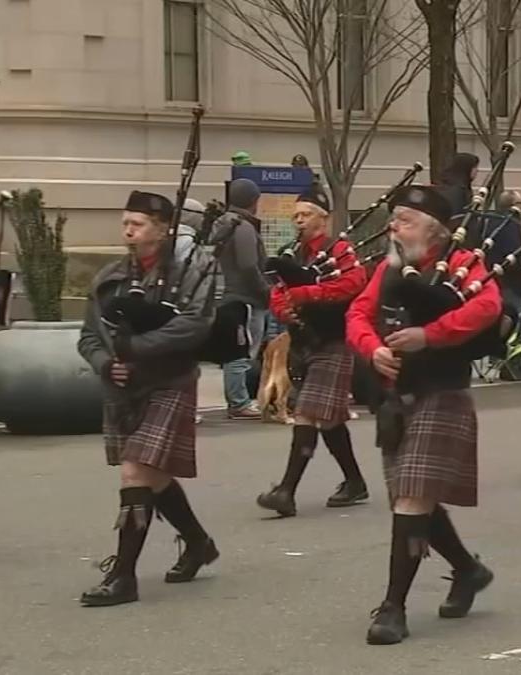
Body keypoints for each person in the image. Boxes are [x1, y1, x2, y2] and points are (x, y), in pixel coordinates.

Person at [345, 185, 502, 645]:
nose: (394, 226)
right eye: (393, 218)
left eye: (405, 220)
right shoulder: (388, 268)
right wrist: (373, 350)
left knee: (411, 499)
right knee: (412, 501)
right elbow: (357, 313)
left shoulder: (463, 264)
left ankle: (393, 606)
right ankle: (469, 570)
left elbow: (487, 308)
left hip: (442, 392)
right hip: (396, 396)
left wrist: (430, 335)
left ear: (434, 230)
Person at [75, 190, 220, 606]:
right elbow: (88, 336)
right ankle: (198, 543)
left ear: (162, 229)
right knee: (154, 477)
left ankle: (124, 577)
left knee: (135, 472)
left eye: (136, 225)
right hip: (124, 389)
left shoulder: (194, 269)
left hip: (170, 381)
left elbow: (195, 325)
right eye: (125, 224)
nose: (127, 232)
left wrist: (139, 348)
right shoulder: (109, 278)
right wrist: (106, 363)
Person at [256, 186, 369, 517]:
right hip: (303, 343)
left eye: (305, 214)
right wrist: (283, 309)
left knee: (307, 412)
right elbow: (277, 290)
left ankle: (286, 491)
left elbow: (352, 284)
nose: (299, 221)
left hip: (334, 341)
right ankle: (355, 481)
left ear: (324, 217)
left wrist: (306, 294)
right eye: (296, 216)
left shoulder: (342, 251)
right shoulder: (293, 252)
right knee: (329, 419)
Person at [211, 179, 270, 419]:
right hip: (244, 298)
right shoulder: (244, 227)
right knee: (241, 351)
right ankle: (239, 402)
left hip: (225, 295)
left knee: (233, 350)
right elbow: (248, 265)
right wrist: (265, 291)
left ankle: (238, 399)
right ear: (254, 201)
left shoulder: (222, 224)